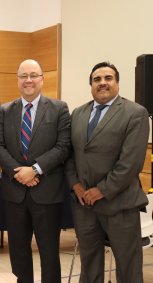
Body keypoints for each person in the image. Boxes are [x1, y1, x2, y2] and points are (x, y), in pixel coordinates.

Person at [65, 61, 149, 283]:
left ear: (117, 83)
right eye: (97, 79)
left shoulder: (135, 113)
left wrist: (101, 190)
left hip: (120, 204)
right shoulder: (78, 113)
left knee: (128, 268)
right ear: (91, 85)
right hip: (84, 205)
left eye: (108, 78)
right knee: (89, 266)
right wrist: (76, 186)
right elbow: (69, 155)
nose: (102, 83)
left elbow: (130, 163)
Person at [0, 59, 71, 283]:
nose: (28, 80)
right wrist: (20, 173)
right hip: (15, 192)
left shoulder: (59, 108)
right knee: (18, 248)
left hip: (47, 191)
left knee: (48, 250)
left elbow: (63, 146)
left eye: (33, 75)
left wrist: (35, 170)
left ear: (42, 79)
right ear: (17, 80)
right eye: (23, 76)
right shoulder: (5, 110)